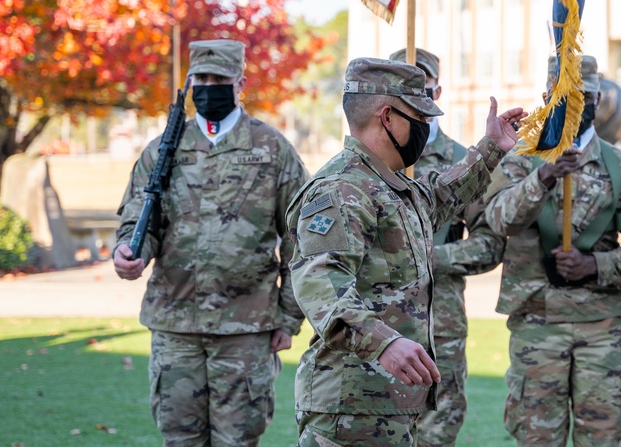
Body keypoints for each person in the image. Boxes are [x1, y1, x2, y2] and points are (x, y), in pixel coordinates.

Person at [287, 57, 525, 447]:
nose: (426, 127)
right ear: (388, 118)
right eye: (419, 116)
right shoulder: (342, 189)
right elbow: (320, 287)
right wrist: (384, 342)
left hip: (386, 402)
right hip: (352, 406)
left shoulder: (388, 185)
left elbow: (439, 196)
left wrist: (491, 149)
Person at [113, 39, 309, 446]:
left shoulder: (272, 149)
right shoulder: (164, 149)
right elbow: (141, 220)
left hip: (246, 326)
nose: (208, 87)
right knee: (179, 438)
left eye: (218, 79)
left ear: (240, 83)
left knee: (237, 440)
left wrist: (289, 318)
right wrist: (129, 252)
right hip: (175, 324)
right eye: (200, 78)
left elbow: (300, 239)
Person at [485, 55, 621, 447]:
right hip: (536, 322)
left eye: (584, 97)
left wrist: (596, 265)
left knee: (602, 436)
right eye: (564, 97)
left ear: (598, 99)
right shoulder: (520, 160)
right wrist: (542, 177)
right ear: (546, 98)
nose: (575, 105)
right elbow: (498, 220)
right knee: (537, 436)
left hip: (601, 326)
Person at [388, 48, 507, 447]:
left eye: (422, 88)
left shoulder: (465, 160)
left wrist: (435, 257)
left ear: (437, 92)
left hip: (441, 324)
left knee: (438, 429)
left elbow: (490, 243)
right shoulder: (371, 160)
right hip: (379, 322)